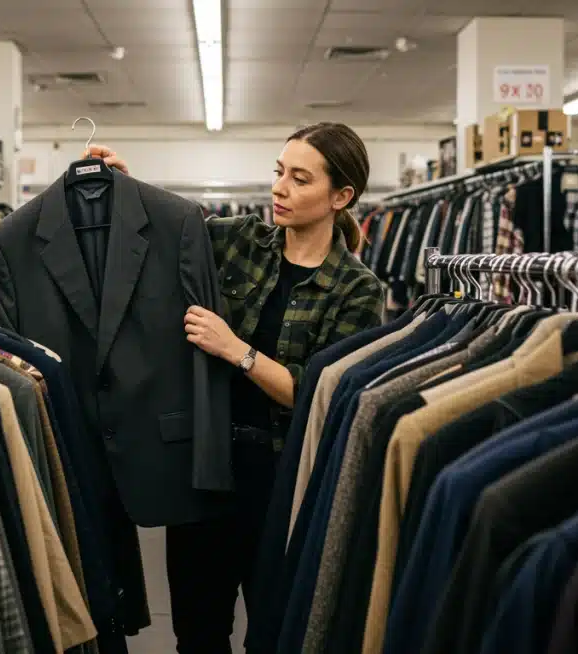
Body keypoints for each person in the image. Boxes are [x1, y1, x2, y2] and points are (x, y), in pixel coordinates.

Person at [84, 121, 387, 653]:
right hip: (207, 469)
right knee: (197, 632)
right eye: (279, 172)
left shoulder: (357, 289)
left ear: (341, 197)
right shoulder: (239, 239)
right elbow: (169, 230)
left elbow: (322, 396)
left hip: (284, 480)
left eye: (300, 179)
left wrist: (236, 349)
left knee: (272, 632)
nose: (279, 188)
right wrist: (126, 186)